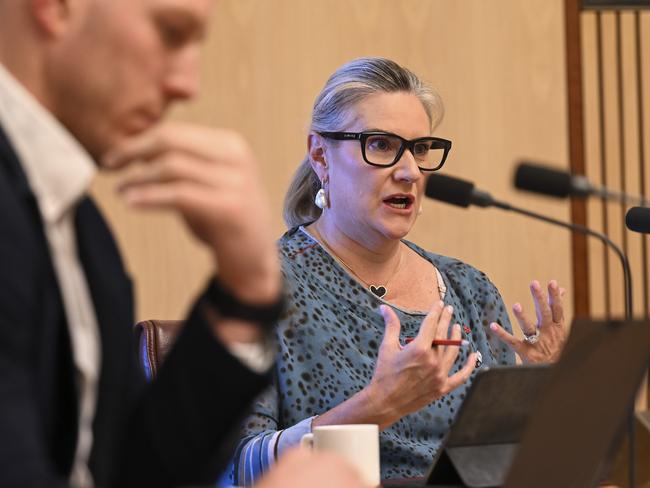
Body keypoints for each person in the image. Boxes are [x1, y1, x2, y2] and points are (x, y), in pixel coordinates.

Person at [0, 1, 367, 487]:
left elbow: (137, 473)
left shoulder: (82, 229)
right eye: (171, 33)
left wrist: (246, 292)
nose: (186, 84)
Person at [229, 57, 569, 484]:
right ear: (320, 155)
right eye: (381, 145)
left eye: (420, 148)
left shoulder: (469, 288)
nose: (409, 172)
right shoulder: (258, 288)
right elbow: (238, 468)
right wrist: (375, 407)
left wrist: (540, 392)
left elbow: (499, 464)